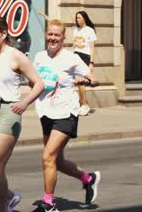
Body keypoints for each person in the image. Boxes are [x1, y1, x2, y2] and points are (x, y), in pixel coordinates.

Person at [0, 16, 44, 212]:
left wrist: (24, 102)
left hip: (9, 112)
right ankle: (10, 197)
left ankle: (1, 209)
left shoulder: (15, 55)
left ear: (4, 34)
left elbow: (39, 83)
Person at [33, 19, 101, 211]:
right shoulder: (39, 57)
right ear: (46, 35)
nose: (53, 38)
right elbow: (35, 82)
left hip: (66, 113)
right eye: (50, 34)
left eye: (57, 35)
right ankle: (89, 179)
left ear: (63, 38)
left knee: (47, 157)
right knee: (57, 161)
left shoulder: (71, 58)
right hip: (46, 112)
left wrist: (85, 80)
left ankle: (48, 203)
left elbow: (95, 80)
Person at [73, 11, 97, 116]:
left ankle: (84, 105)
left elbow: (92, 48)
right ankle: (83, 104)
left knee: (80, 82)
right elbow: (74, 45)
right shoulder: (75, 30)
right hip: (76, 55)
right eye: (76, 18)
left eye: (79, 18)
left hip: (85, 56)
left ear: (84, 18)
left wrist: (91, 62)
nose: (77, 20)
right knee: (77, 82)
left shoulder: (90, 31)